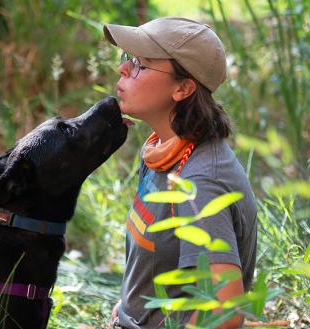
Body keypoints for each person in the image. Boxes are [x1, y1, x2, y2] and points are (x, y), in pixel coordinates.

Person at [102, 17, 257, 329]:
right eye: (128, 60)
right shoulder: (163, 149)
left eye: (141, 65)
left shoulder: (199, 182)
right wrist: (130, 304)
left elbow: (224, 311)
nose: (123, 70)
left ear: (184, 87)